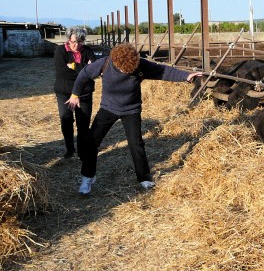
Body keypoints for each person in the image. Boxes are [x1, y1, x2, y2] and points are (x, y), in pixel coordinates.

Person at [66, 42, 202, 194]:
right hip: (108, 108)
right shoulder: (105, 63)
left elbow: (162, 71)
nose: (126, 72)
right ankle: (88, 177)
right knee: (92, 141)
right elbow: (84, 74)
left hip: (131, 110)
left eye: (129, 71)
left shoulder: (139, 65)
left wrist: (186, 76)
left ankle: (144, 178)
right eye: (123, 70)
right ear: (116, 62)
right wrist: (75, 94)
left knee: (136, 144)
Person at [54, 27, 96, 159]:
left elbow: (94, 70)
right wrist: (85, 69)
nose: (76, 45)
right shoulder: (60, 51)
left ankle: (82, 151)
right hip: (65, 92)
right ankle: (70, 149)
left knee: (83, 123)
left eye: (79, 42)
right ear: (68, 40)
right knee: (66, 120)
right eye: (73, 42)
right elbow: (62, 71)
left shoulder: (88, 50)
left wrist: (72, 66)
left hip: (84, 93)